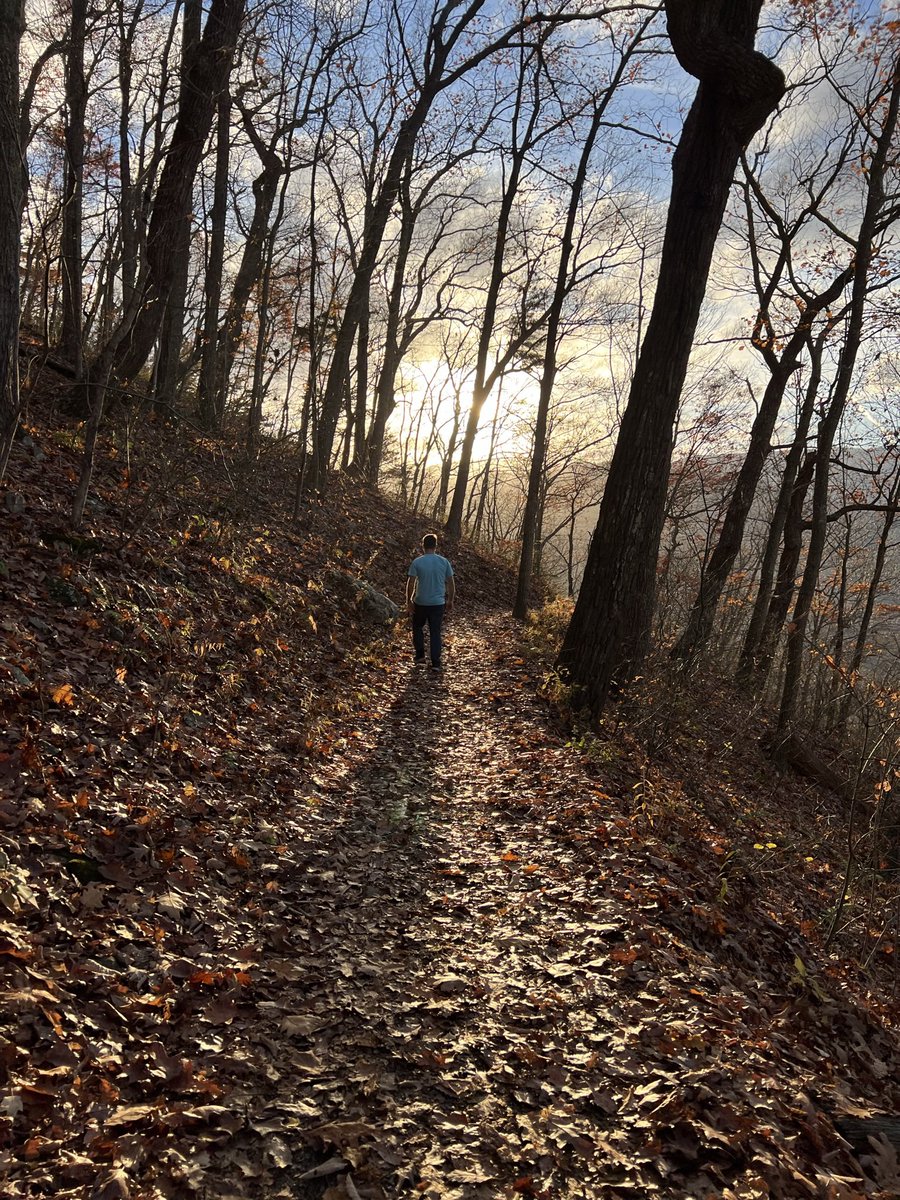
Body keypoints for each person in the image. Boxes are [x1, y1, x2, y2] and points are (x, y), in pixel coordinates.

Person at [406, 533, 455, 670]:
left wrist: (409, 601)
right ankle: (436, 662)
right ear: (436, 545)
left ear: (423, 545)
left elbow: (411, 583)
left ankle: (420, 655)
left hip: (420, 602)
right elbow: (451, 583)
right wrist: (450, 600)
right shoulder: (444, 562)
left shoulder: (417, 562)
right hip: (438, 603)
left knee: (417, 627)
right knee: (435, 632)